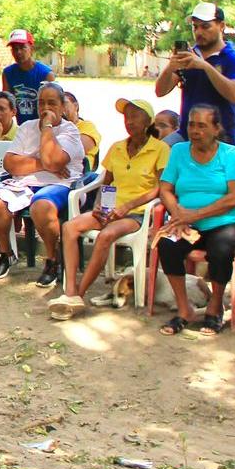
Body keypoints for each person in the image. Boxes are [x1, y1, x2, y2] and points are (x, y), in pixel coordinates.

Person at [49, 99, 169, 320]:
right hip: (112, 209)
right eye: (126, 117)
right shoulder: (118, 147)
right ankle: (70, 291)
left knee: (106, 235)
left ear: (148, 121)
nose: (129, 122)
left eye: (135, 116)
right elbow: (106, 182)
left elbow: (161, 188)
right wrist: (98, 206)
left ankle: (78, 296)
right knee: (69, 227)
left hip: (138, 213)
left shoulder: (160, 149)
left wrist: (127, 207)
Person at [153, 104, 235, 337]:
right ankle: (185, 309)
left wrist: (193, 215)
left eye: (202, 126)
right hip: (186, 221)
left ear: (216, 129)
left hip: (222, 221)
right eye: (191, 125)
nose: (195, 131)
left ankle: (215, 306)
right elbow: (165, 189)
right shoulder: (178, 151)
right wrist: (177, 214)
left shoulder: (230, 154)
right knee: (167, 245)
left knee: (221, 249)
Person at [0, 83, 85, 283]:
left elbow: (54, 160)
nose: (45, 108)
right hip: (24, 182)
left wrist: (47, 126)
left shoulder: (69, 131)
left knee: (41, 206)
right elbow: (10, 163)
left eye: (51, 103)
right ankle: (6, 254)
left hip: (61, 184)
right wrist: (43, 164)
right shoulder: (27, 127)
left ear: (62, 106)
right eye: (41, 103)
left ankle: (52, 260)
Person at [154, 2, 235, 145]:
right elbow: (160, 91)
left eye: (205, 26)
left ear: (221, 26)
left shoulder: (232, 58)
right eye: (195, 27)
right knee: (157, 153)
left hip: (220, 137)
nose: (199, 32)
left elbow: (234, 94)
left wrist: (205, 66)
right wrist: (170, 67)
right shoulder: (189, 55)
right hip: (186, 134)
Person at [0, 29, 54, 124]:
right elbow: (6, 104)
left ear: (31, 49)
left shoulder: (46, 74)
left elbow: (52, 106)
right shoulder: (8, 73)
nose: (18, 52)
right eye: (15, 49)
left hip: (42, 125)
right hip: (21, 127)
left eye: (22, 47)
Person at [63, 92, 101, 170]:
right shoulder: (51, 129)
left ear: (76, 106)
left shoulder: (87, 126)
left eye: (64, 103)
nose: (61, 108)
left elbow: (74, 150)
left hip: (80, 176)